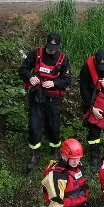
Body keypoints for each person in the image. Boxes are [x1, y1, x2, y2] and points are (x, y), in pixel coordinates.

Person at [18, 32, 72, 170]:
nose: (52, 50)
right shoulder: (35, 54)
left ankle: (54, 152)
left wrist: (54, 83)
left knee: (54, 126)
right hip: (36, 96)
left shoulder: (63, 59)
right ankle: (34, 154)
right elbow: (23, 69)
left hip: (52, 98)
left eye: (55, 47)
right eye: (50, 47)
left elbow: (67, 80)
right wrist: (30, 76)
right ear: (46, 43)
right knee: (34, 125)